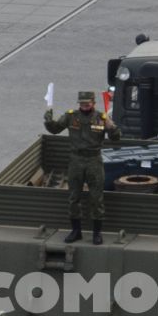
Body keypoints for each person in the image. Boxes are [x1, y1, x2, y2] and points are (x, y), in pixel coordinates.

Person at [44, 90, 120, 244]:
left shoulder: (101, 118)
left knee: (96, 198)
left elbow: (116, 137)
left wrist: (112, 127)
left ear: (93, 103)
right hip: (76, 160)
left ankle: (97, 233)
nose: (84, 106)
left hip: (94, 160)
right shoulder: (71, 116)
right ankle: (76, 231)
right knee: (74, 197)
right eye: (82, 104)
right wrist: (48, 117)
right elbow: (54, 129)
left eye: (87, 104)